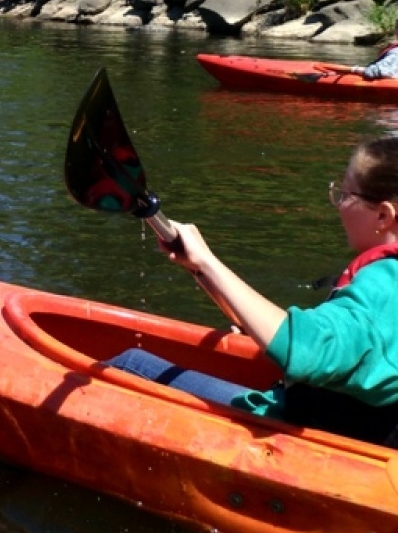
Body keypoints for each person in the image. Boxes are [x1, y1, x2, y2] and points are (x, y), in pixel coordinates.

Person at [105, 137, 398, 446]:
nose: (338, 204)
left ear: (383, 215)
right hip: (358, 423)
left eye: (345, 194)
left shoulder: (383, 283)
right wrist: (201, 269)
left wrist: (208, 259)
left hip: (304, 430)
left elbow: (308, 350)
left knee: (130, 363)